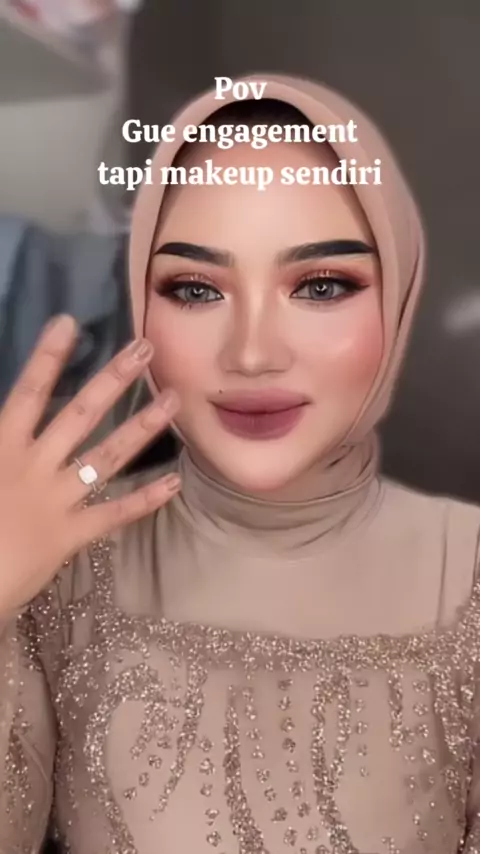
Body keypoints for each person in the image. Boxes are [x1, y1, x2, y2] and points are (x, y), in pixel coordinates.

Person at [0, 73, 478, 854]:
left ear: (398, 294)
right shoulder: (51, 564)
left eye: (321, 285)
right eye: (195, 289)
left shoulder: (472, 576)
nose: (253, 353)